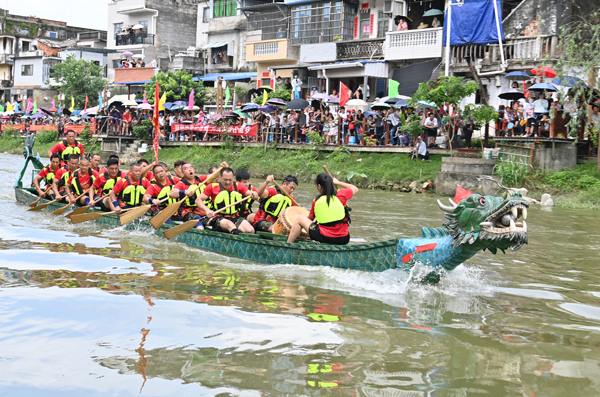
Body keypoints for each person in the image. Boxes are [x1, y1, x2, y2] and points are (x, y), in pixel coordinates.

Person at [287, 173, 357, 245]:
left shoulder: (316, 201)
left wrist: (304, 214)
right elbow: (355, 188)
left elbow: (310, 218)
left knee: (299, 218)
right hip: (344, 238)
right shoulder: (342, 194)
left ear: (319, 186)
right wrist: (338, 182)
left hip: (324, 237)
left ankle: (288, 245)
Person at [195, 168, 259, 235]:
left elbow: (249, 192)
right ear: (220, 178)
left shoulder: (238, 186)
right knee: (230, 225)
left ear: (233, 178)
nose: (228, 182)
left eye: (230, 180)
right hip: (218, 217)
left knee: (251, 230)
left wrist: (253, 194)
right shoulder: (212, 186)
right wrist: (207, 210)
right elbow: (198, 200)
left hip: (234, 216)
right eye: (225, 180)